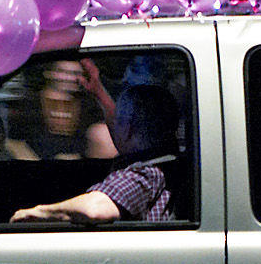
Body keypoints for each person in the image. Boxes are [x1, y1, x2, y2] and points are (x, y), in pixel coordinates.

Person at [9, 83, 177, 223]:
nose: (112, 127)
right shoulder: (166, 162)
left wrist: (36, 212)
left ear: (129, 129)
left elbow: (95, 209)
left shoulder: (147, 174)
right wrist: (98, 91)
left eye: (117, 121)